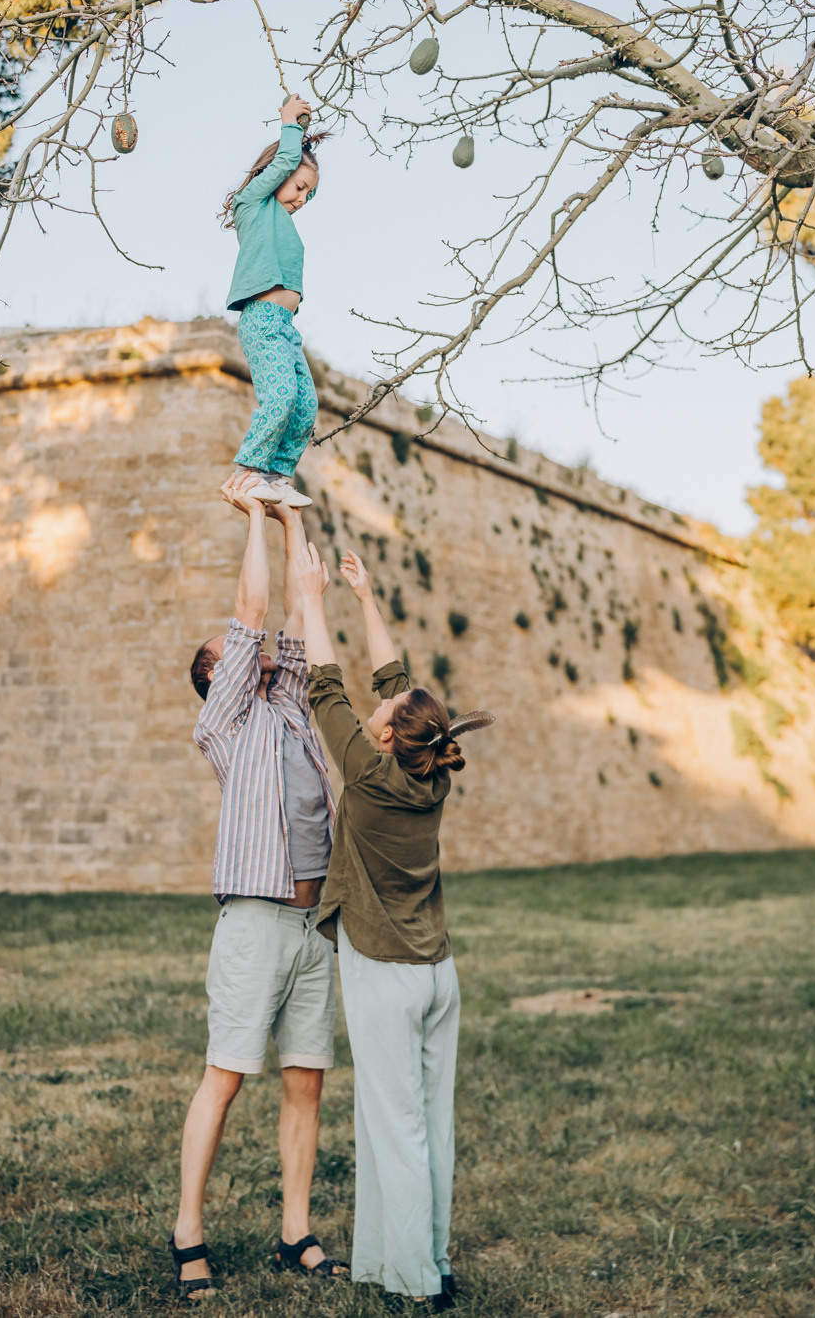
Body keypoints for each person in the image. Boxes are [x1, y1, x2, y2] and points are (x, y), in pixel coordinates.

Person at [168, 493, 349, 1302]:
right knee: (228, 1075)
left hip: (315, 925)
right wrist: (250, 518)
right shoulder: (226, 721)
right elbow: (251, 615)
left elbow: (302, 626)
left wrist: (291, 520)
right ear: (217, 675)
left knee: (305, 1078)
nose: (255, 648)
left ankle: (295, 1231)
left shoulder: (291, 707)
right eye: (235, 651)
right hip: (254, 921)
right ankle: (188, 1233)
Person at [294, 542, 466, 1311]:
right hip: (438, 976)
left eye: (386, 713)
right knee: (426, 1121)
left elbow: (323, 682)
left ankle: (420, 1283)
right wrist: (365, 597)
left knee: (396, 1125)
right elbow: (397, 685)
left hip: (387, 974)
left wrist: (311, 595)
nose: (378, 707)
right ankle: (407, 1258)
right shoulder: (430, 776)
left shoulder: (366, 774)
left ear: (393, 736)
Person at [219, 93, 329, 510]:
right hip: (262, 319)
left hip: (285, 327)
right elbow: (284, 164)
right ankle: (244, 475)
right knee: (280, 398)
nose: (301, 199)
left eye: (308, 195)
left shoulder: (282, 217)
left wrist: (306, 156)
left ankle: (277, 477)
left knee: (305, 405)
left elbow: (295, 172)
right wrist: (291, 126)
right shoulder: (253, 205)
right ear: (274, 173)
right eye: (299, 188)